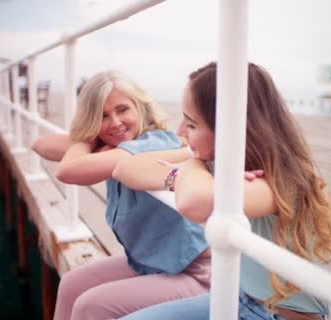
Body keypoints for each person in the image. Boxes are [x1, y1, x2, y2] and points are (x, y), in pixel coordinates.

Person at [112, 62, 331, 320]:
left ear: (230, 128)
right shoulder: (220, 166)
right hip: (242, 297)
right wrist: (188, 169)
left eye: (191, 124)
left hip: (277, 315)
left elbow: (193, 201)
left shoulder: (275, 184)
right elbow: (126, 167)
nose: (180, 132)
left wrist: (192, 166)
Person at [31, 70, 211, 320]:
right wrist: (92, 139)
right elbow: (40, 144)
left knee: (90, 307)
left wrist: (89, 144)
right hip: (150, 263)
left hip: (196, 274)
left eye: (123, 110)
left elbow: (68, 170)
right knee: (71, 284)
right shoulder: (116, 148)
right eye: (103, 116)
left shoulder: (155, 142)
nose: (115, 122)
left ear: (140, 107)